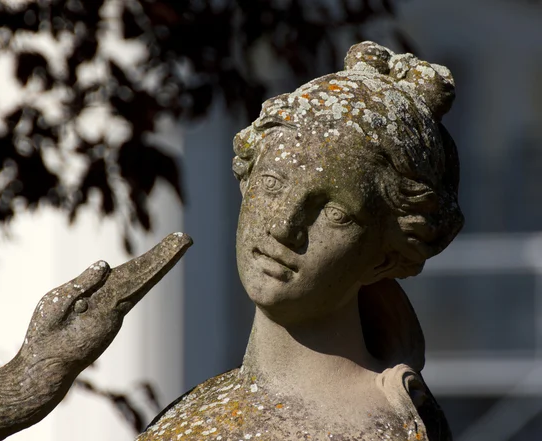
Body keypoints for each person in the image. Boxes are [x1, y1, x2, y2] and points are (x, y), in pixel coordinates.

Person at [139, 41, 463, 441]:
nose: (283, 226)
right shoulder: (185, 416)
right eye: (273, 183)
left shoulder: (388, 428)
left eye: (335, 213)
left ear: (383, 256)